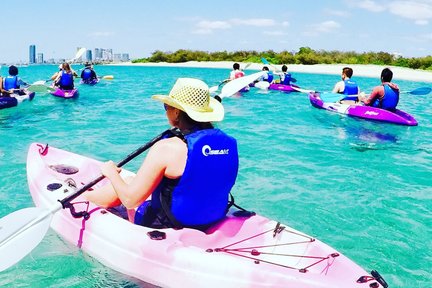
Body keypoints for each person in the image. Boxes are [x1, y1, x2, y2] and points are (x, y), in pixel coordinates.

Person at [84, 78, 239, 230]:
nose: (165, 110)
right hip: (211, 218)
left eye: (167, 106)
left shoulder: (167, 148)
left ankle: (85, 197)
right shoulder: (229, 143)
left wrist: (111, 173)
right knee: (131, 179)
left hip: (169, 223)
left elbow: (131, 201)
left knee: (122, 186)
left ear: (177, 113)